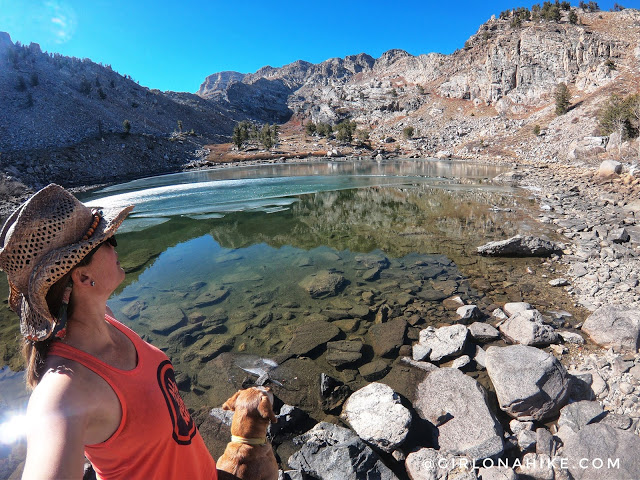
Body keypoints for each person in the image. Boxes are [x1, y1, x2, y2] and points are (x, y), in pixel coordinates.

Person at [0, 184, 218, 480]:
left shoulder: (107, 318)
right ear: (83, 276)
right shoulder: (63, 392)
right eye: (107, 240)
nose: (115, 246)